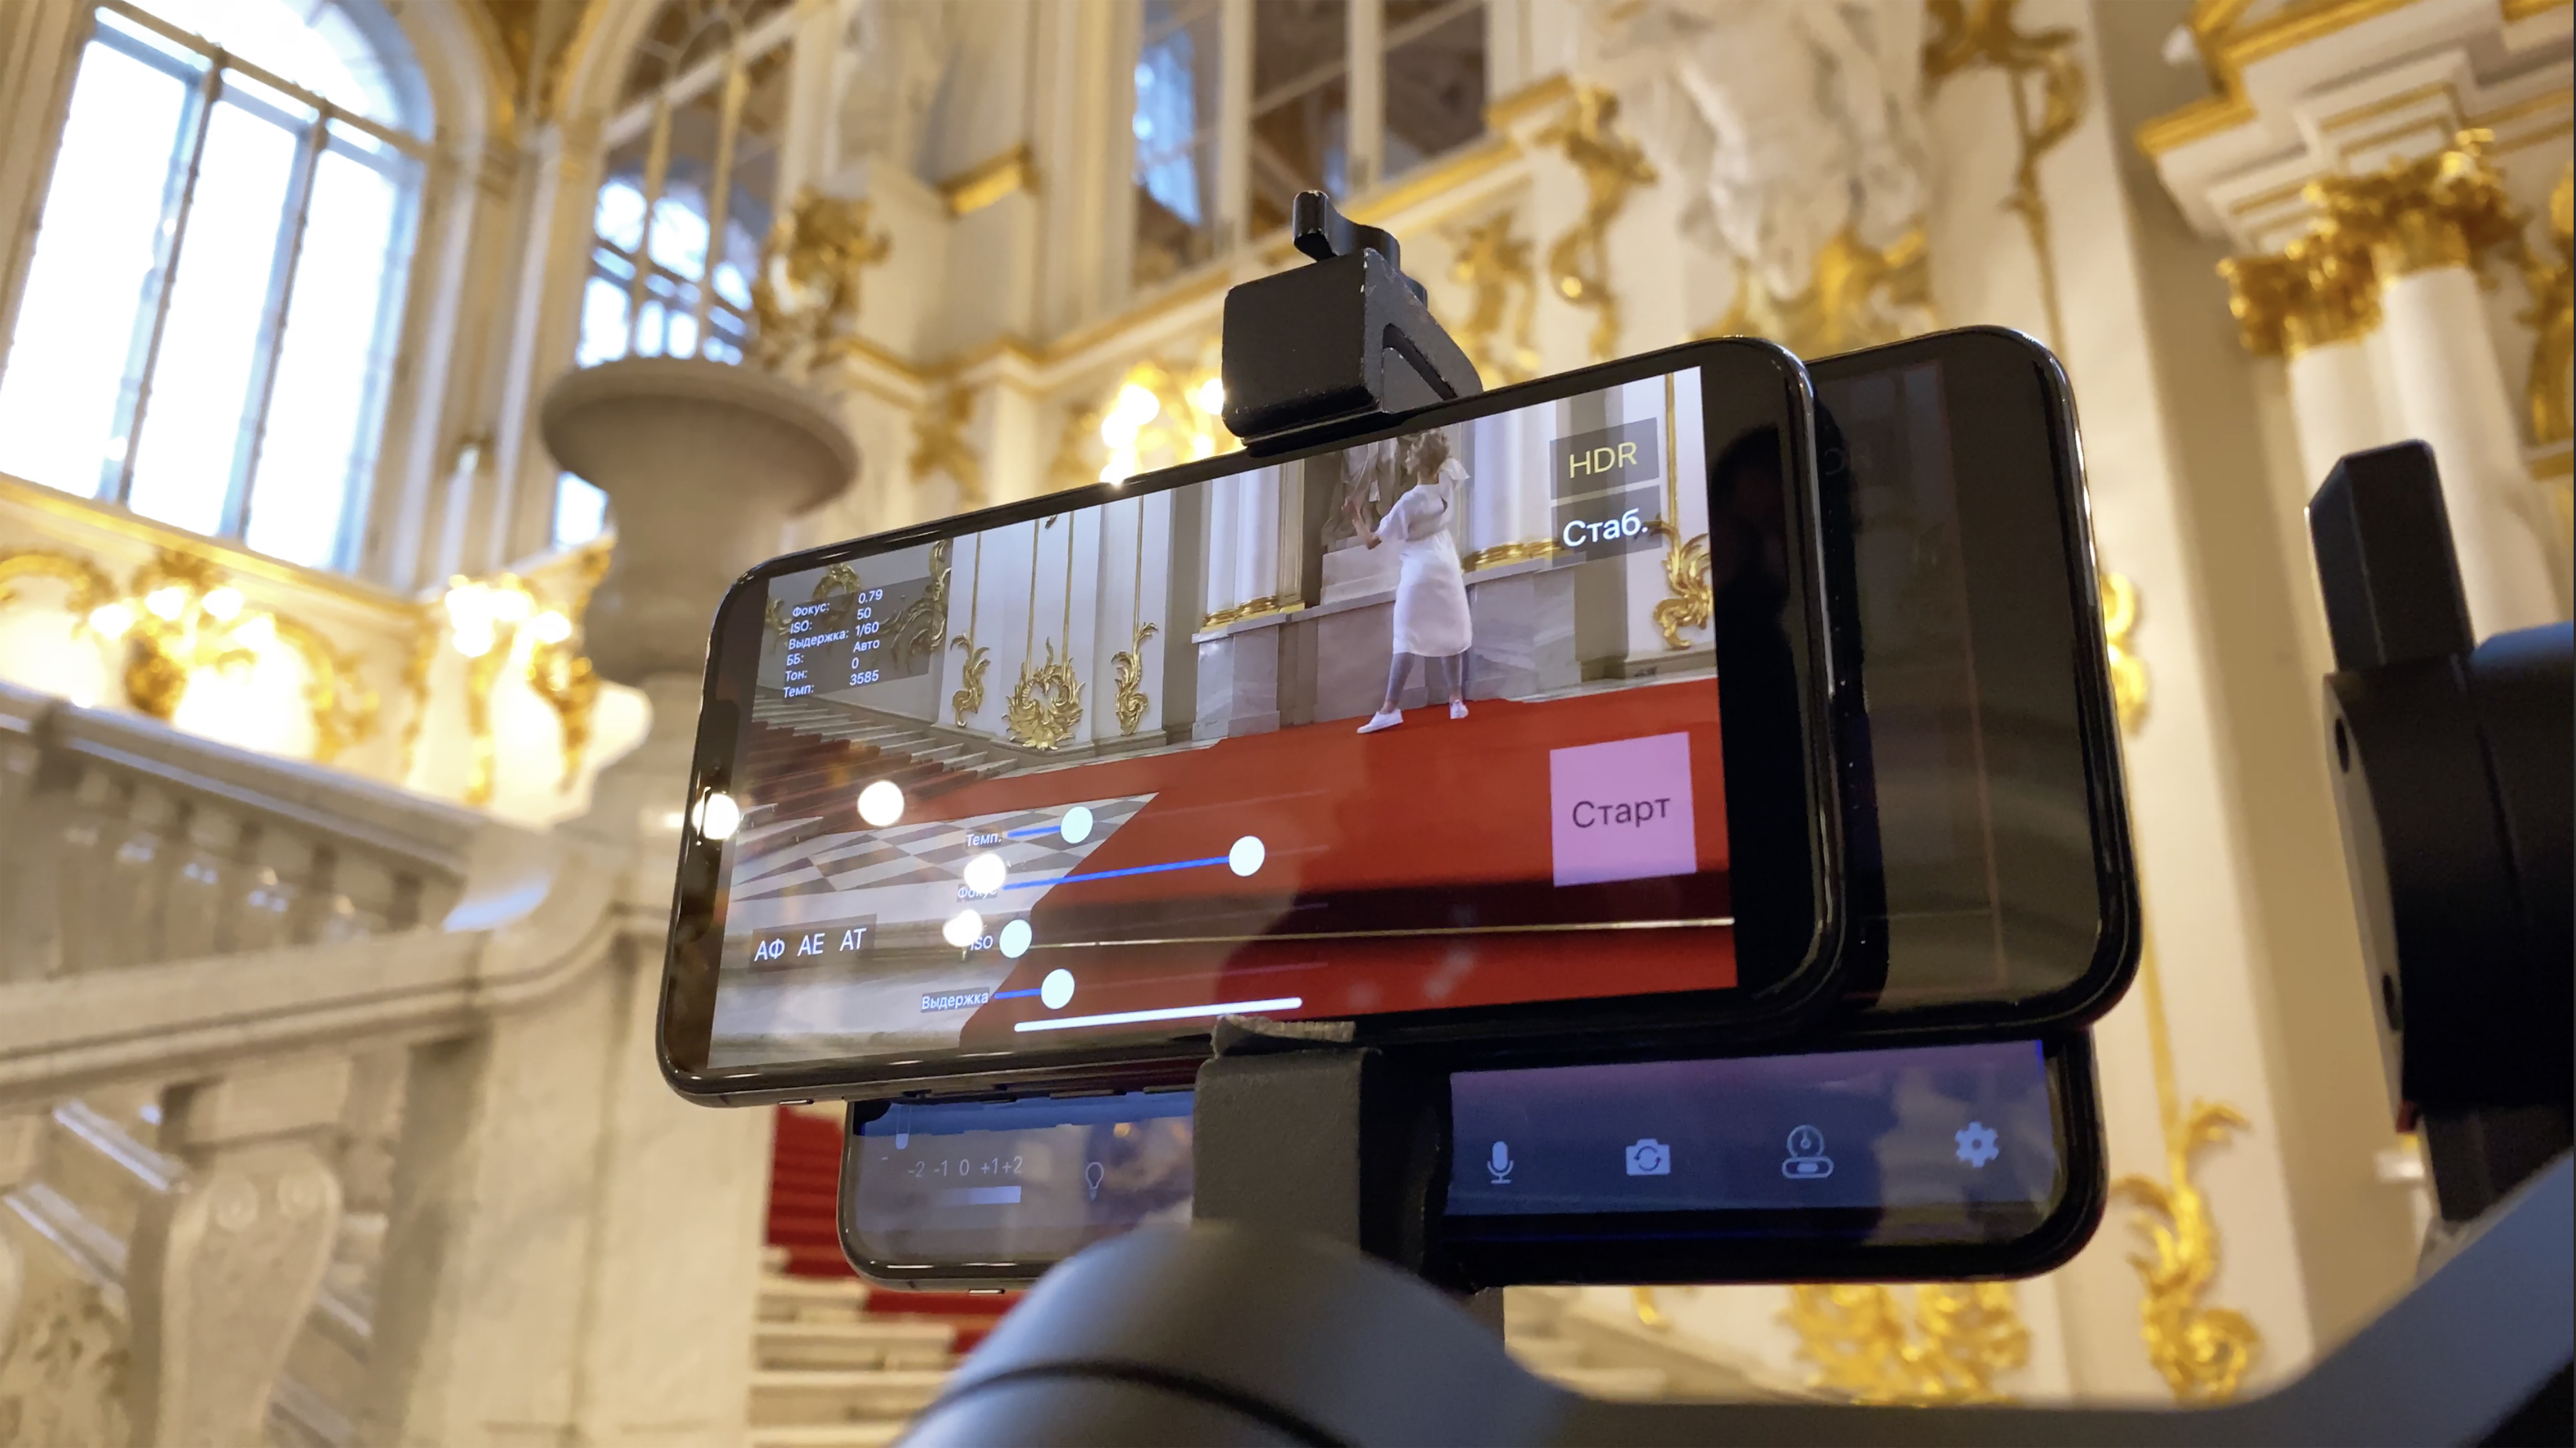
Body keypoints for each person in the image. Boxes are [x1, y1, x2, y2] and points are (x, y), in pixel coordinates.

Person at [1348, 427, 1472, 733]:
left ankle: (1389, 709)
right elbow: (1449, 463)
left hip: (1420, 570)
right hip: (1447, 563)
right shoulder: (1449, 478)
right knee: (1451, 629)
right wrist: (1436, 449)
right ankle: (1456, 700)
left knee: (1406, 637)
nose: (1406, 455)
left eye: (1412, 453)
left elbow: (1372, 541)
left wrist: (1355, 515)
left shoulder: (1410, 501)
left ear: (1420, 463)